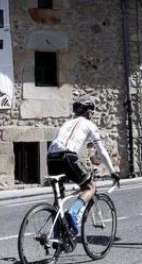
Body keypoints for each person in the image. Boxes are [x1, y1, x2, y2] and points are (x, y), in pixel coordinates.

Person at [47, 97, 120, 235]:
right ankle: (73, 213)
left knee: (59, 197)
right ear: (88, 112)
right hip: (67, 155)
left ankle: (57, 235)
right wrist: (112, 172)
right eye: (91, 113)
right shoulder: (89, 125)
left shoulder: (66, 123)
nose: (92, 115)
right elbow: (101, 151)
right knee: (90, 187)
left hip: (51, 157)